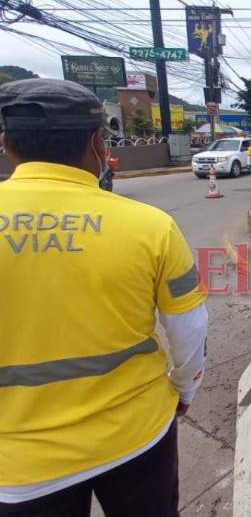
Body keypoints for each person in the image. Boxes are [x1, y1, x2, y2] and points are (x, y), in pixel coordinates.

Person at [0, 79, 208, 516]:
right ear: (97, 143)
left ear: (8, 145)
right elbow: (189, 329)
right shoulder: (150, 226)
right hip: (135, 434)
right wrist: (184, 389)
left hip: (18, 466)